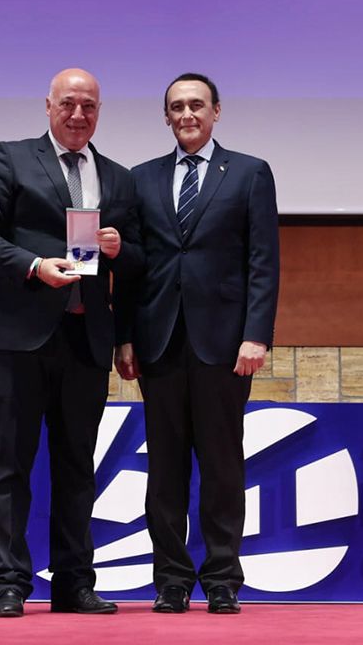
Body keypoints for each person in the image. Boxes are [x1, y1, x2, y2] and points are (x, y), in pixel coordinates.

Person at [0, 68, 142, 618]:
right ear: (47, 106)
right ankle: (10, 583)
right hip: (18, 337)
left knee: (76, 467)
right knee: (11, 463)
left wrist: (117, 251)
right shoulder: (12, 157)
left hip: (86, 337)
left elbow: (138, 264)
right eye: (68, 103)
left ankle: (73, 582)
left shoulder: (118, 177)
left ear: (99, 111)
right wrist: (35, 265)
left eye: (89, 105)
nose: (78, 114)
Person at [114, 72, 280, 614]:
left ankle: (223, 578)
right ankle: (170, 580)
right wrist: (124, 337)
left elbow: (262, 263)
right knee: (164, 468)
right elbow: (132, 271)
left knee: (222, 463)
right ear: (166, 116)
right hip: (159, 342)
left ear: (216, 111)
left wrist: (257, 334)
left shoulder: (251, 173)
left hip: (224, 344)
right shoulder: (140, 180)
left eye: (196, 105)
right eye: (177, 107)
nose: (187, 114)